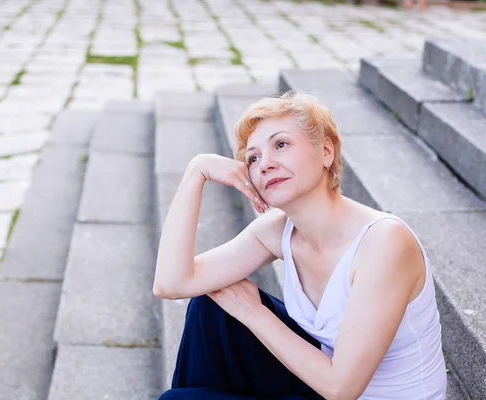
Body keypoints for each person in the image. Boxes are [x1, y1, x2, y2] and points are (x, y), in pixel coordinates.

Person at [153, 91, 447, 399]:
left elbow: (340, 388)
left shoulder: (384, 243)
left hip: (348, 390)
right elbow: (171, 283)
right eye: (253, 158)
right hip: (321, 383)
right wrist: (196, 171)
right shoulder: (279, 230)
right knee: (210, 306)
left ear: (325, 153)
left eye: (280, 145)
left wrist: (253, 312)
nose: (264, 164)